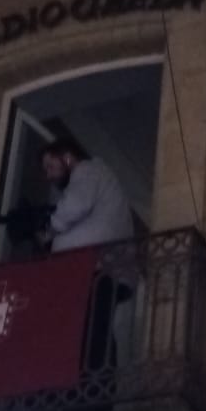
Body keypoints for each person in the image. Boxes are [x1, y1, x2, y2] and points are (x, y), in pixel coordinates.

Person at [39, 140, 138, 372]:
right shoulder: (100, 177)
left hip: (96, 270)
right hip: (100, 269)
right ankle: (91, 387)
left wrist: (49, 230)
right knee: (93, 330)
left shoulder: (87, 171)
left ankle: (94, 388)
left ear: (66, 157)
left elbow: (75, 205)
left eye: (50, 166)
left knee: (93, 333)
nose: (48, 175)